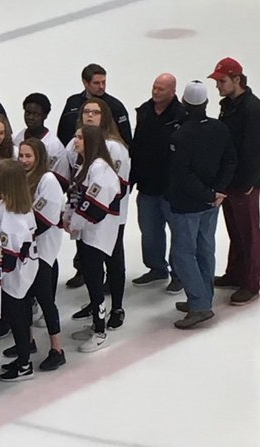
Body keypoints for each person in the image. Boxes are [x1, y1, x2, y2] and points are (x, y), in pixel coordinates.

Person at [167, 81, 237, 329]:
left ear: (185, 104)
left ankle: (199, 304)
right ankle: (202, 297)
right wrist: (217, 191)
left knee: (183, 253)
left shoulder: (180, 135)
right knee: (205, 249)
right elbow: (231, 160)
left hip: (189, 204)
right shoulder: (219, 128)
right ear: (206, 103)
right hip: (211, 203)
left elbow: (182, 174)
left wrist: (207, 194)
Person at [68, 125, 124, 353]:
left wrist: (74, 222)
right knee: (91, 281)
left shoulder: (101, 169)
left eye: (80, 137)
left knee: (95, 281)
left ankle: (101, 332)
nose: (75, 141)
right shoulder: (86, 166)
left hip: (97, 235)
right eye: (75, 136)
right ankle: (95, 323)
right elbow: (76, 196)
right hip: (86, 233)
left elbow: (95, 207)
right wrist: (68, 217)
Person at [210, 57, 260, 305]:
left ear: (237, 80)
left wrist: (249, 182)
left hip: (244, 183)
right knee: (235, 230)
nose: (218, 85)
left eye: (222, 81)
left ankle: (252, 281)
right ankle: (235, 272)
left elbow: (254, 149)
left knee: (249, 233)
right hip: (229, 180)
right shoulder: (228, 105)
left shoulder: (252, 108)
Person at [131, 73, 186, 289]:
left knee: (178, 234)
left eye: (161, 89)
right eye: (154, 87)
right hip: (147, 186)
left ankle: (179, 274)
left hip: (170, 189)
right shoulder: (144, 111)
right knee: (150, 231)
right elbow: (136, 146)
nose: (155, 92)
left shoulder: (181, 115)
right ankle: (156, 268)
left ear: (173, 91)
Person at [16, 138, 66, 371]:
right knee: (24, 298)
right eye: (22, 156)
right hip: (25, 251)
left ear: (39, 157)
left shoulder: (48, 180)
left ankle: (57, 349)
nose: (24, 160)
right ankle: (28, 341)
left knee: (45, 300)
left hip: (43, 251)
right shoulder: (20, 179)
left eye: (29, 156)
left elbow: (45, 219)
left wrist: (20, 235)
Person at [0, 159, 37, 380]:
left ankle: (24, 364)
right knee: (20, 315)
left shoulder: (12, 217)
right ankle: (23, 356)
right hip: (25, 268)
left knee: (17, 317)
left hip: (15, 275)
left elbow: (8, 256)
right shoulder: (18, 205)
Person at [57, 63, 133, 147]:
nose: (101, 86)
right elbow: (62, 132)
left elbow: (126, 139)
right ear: (85, 83)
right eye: (96, 83)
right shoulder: (73, 102)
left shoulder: (115, 106)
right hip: (74, 152)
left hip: (105, 153)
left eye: (103, 82)